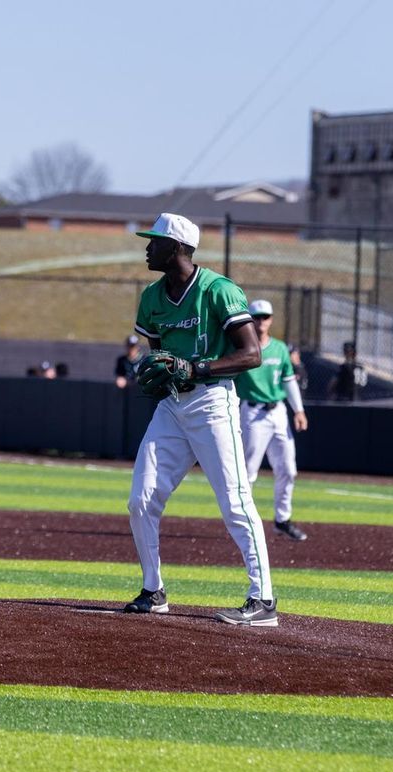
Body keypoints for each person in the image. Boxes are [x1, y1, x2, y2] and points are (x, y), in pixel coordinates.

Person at [124, 212, 277, 626]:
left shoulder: (218, 290)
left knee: (234, 501)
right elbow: (158, 355)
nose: (147, 247)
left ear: (177, 247)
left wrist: (195, 369)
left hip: (213, 403)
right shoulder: (152, 298)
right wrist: (157, 374)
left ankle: (262, 600)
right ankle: (153, 590)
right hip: (173, 407)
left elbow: (251, 355)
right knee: (140, 499)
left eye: (154, 241)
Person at [236, 299, 310, 542]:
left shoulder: (279, 349)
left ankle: (282, 520)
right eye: (256, 317)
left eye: (265, 317)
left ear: (271, 319)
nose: (261, 321)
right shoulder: (241, 347)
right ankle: (242, 521)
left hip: (278, 412)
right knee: (247, 472)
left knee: (288, 469)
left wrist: (298, 411)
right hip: (253, 412)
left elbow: (288, 381)